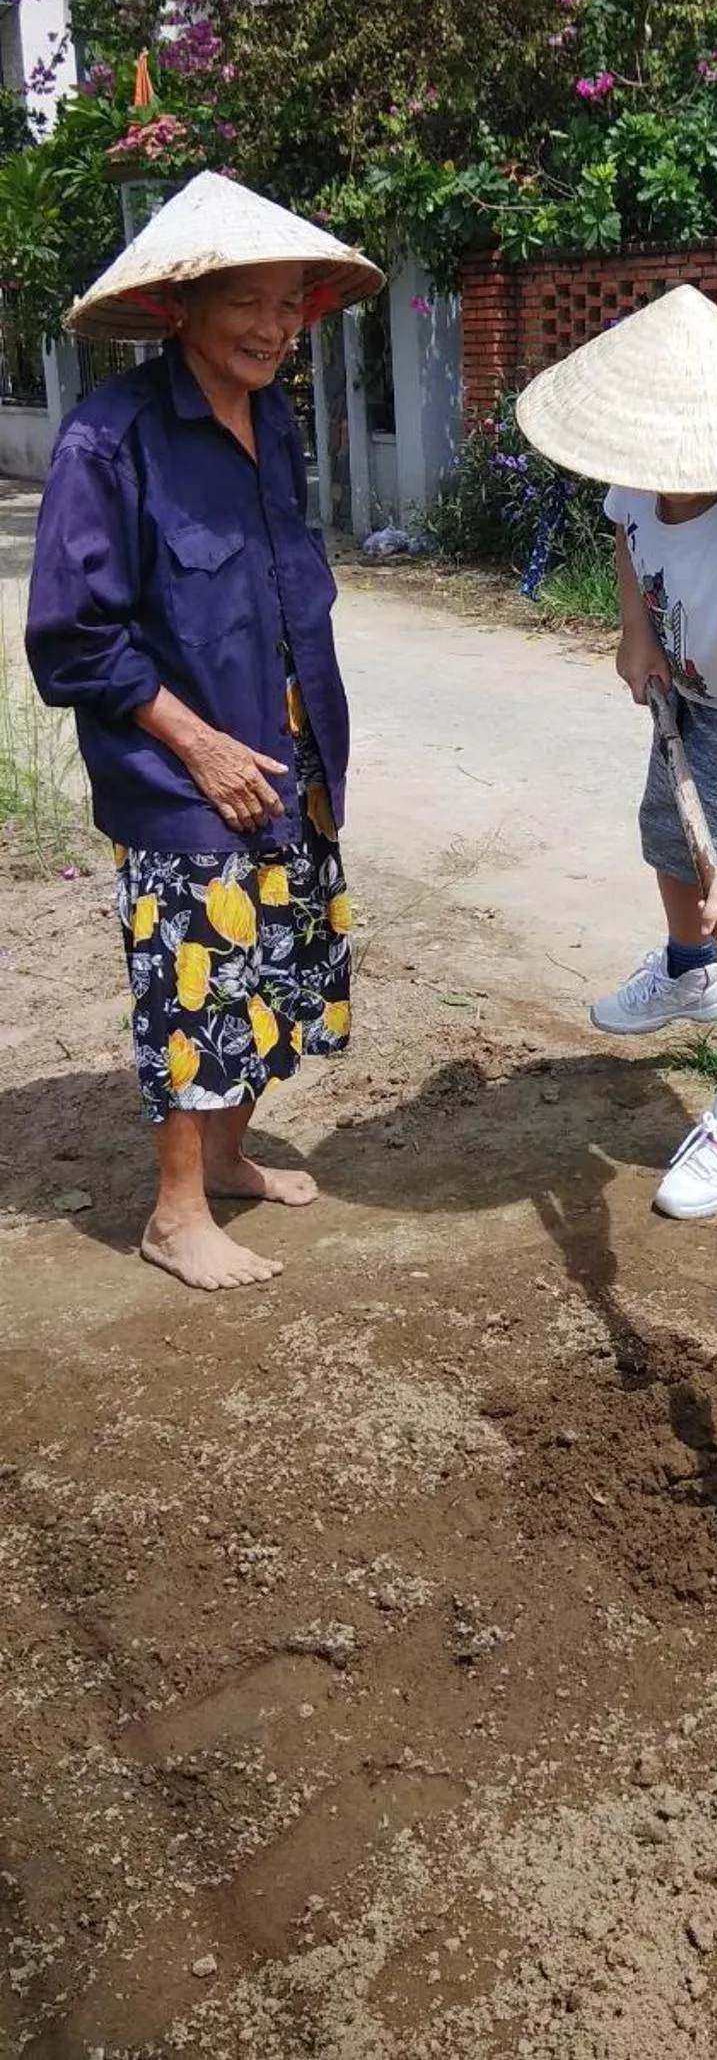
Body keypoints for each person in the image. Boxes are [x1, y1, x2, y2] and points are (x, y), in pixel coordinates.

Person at [26, 170, 383, 1293]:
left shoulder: (273, 417)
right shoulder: (107, 439)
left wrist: (287, 743)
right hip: (180, 768)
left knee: (276, 962)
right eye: (252, 303)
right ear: (183, 305)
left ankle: (227, 1160)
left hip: (289, 748)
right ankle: (174, 1214)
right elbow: (74, 639)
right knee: (194, 974)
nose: (277, 327)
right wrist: (201, 747)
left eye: (293, 305)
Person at [516, 284, 717, 1220]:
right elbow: (626, 534)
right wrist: (635, 631)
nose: (668, 468)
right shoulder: (639, 472)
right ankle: (688, 969)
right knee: (666, 829)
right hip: (688, 680)